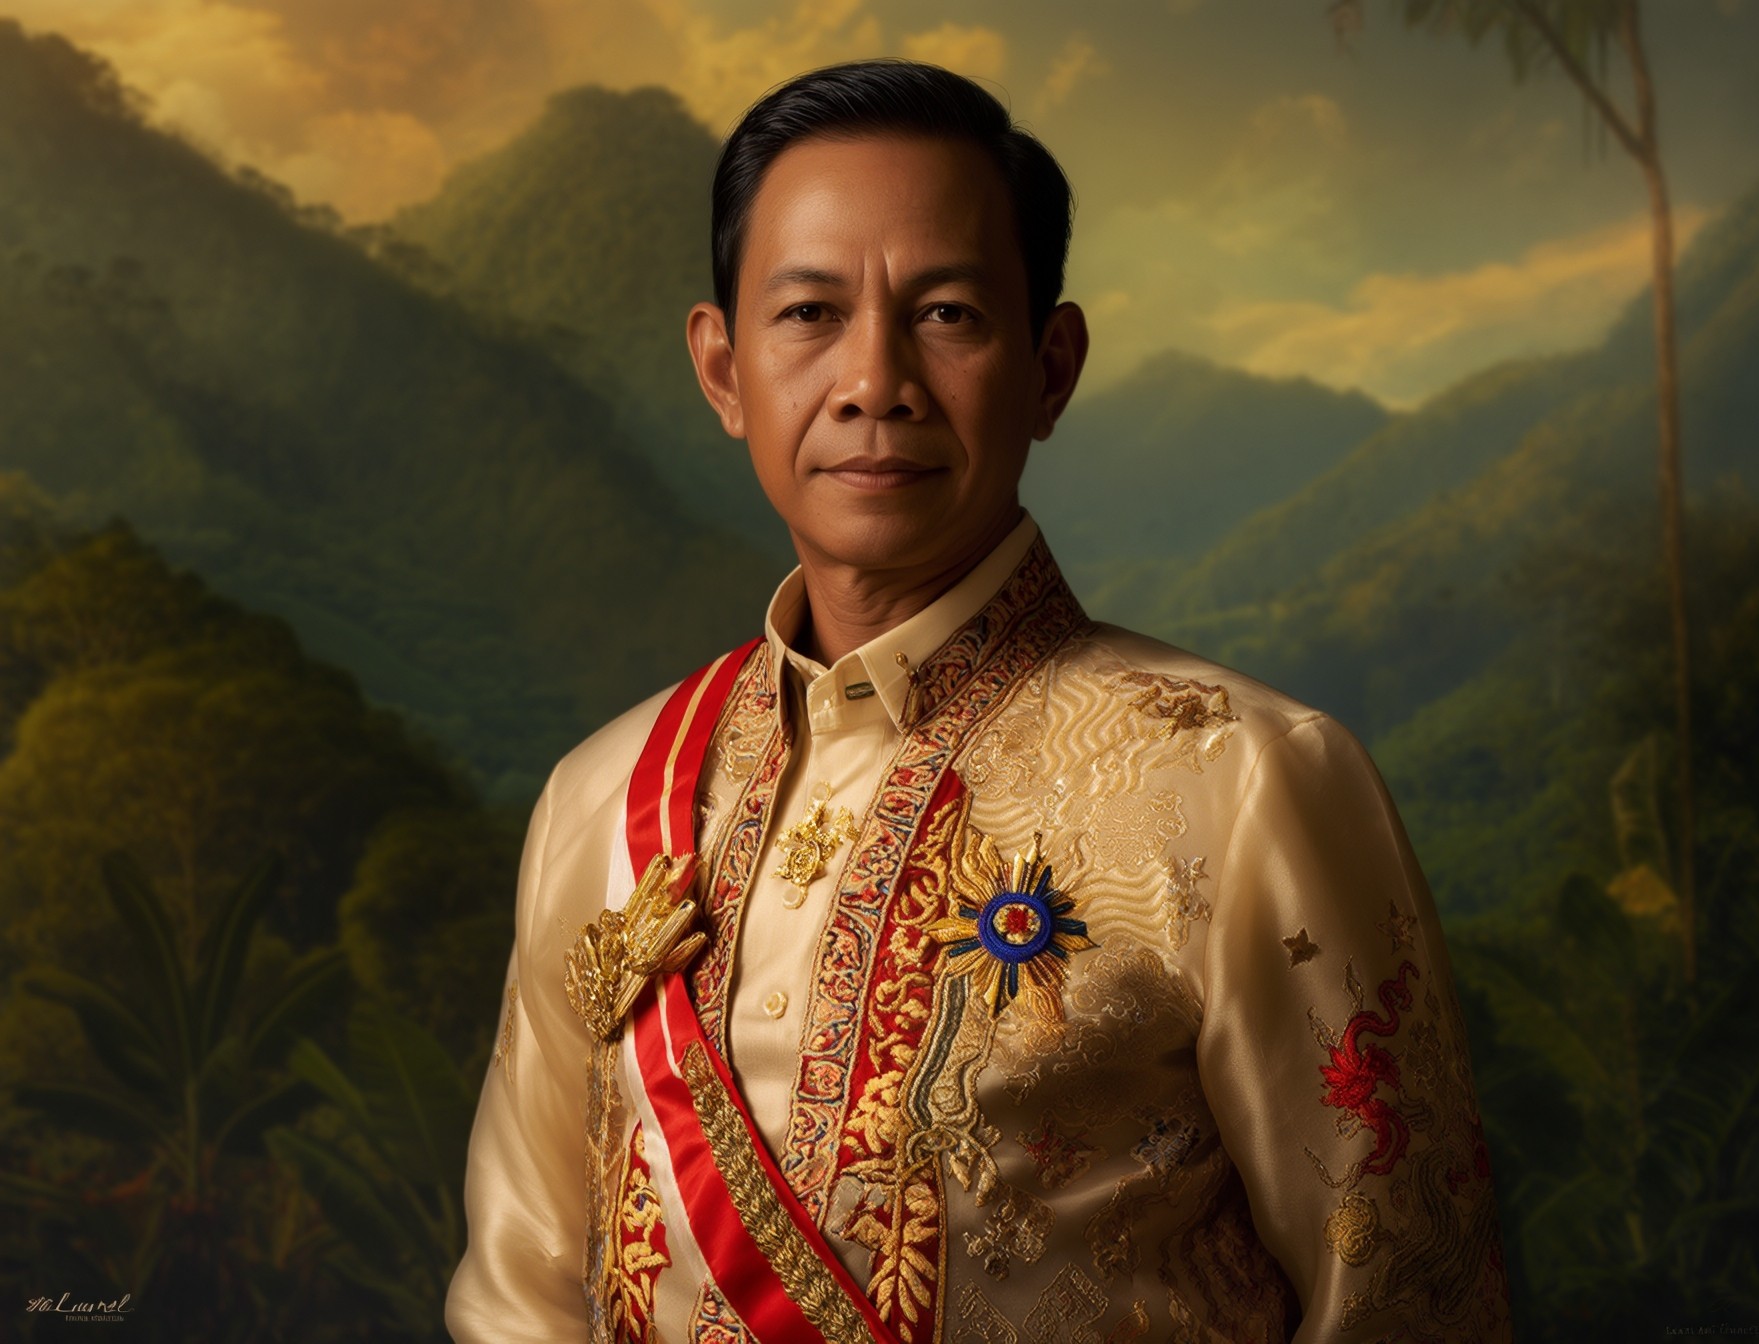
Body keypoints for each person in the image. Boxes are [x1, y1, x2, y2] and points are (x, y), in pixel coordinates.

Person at [445, 59, 1511, 1343]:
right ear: (722, 370)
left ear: (1051, 366)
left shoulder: (1244, 780)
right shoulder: (602, 796)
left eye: (946, 314)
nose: (873, 381)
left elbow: (1406, 1304)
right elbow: (519, 1294)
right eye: (808, 315)